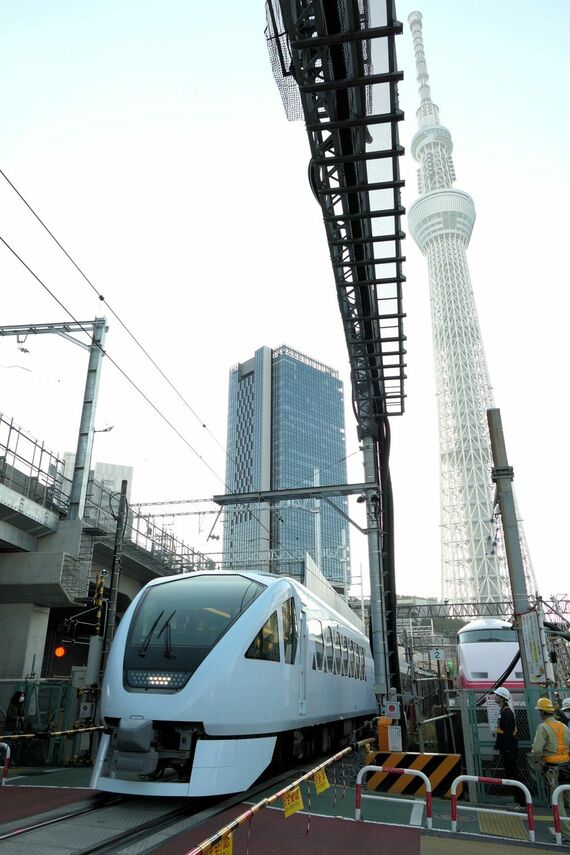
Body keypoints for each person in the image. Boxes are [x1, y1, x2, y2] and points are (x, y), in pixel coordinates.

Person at [531, 697, 570, 843]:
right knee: (568, 797)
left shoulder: (543, 727)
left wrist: (538, 761)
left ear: (541, 712)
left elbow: (536, 750)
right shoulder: (563, 726)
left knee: (557, 801)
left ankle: (566, 834)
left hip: (552, 769)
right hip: (567, 765)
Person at [493, 687, 525, 807]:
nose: (494, 696)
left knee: (514, 774)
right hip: (508, 748)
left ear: (502, 698)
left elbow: (507, 732)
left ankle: (521, 802)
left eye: (497, 695)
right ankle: (518, 800)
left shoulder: (506, 713)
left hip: (509, 749)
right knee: (511, 774)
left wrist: (505, 748)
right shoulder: (505, 711)